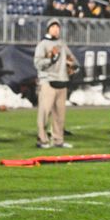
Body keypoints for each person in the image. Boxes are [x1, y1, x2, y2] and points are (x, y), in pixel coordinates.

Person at [34, 18, 79, 148]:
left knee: (60, 115)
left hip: (62, 81)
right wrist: (51, 60)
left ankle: (58, 140)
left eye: (58, 27)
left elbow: (72, 59)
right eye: (53, 27)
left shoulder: (62, 44)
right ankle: (42, 140)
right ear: (48, 29)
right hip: (47, 81)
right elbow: (37, 63)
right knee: (44, 112)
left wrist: (73, 66)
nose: (56, 29)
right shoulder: (42, 44)